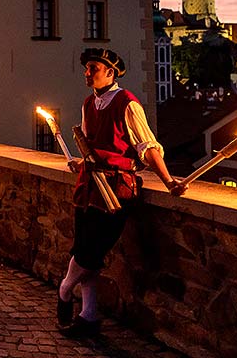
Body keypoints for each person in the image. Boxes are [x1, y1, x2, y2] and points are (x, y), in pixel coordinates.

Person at [57, 48, 187, 338]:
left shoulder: (128, 103)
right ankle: (89, 317)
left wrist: (168, 181)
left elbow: (146, 146)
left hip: (116, 189)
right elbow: (93, 145)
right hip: (89, 185)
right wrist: (83, 160)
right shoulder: (89, 103)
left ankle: (64, 290)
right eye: (87, 68)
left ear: (110, 73)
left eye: (93, 68)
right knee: (83, 249)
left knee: (91, 251)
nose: (87, 73)